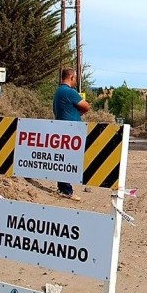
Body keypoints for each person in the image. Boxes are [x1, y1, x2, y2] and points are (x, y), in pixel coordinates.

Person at [53, 68, 90, 200]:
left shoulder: (58, 92)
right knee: (67, 159)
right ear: (72, 77)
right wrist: (80, 111)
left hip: (62, 129)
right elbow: (86, 106)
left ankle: (63, 187)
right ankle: (66, 190)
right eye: (75, 78)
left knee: (64, 159)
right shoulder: (70, 92)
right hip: (70, 131)